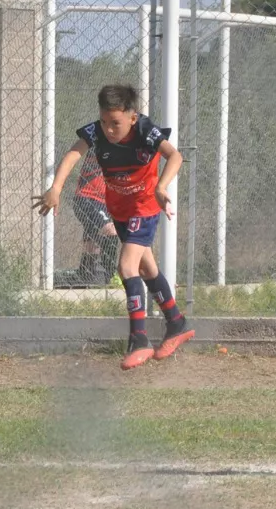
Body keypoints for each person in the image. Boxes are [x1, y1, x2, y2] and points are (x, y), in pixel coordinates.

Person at [35, 84, 193, 370]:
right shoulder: (97, 131)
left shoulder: (145, 130)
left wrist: (161, 185)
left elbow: (176, 155)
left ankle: (139, 339)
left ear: (132, 117)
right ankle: (176, 323)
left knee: (127, 268)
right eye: (105, 122)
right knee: (147, 269)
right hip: (119, 209)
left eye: (115, 123)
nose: (108, 129)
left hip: (143, 207)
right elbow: (73, 153)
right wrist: (56, 187)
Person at [68, 152, 120, 287]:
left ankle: (86, 273)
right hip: (87, 198)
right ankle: (109, 274)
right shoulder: (101, 143)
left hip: (104, 201)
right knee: (110, 230)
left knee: (92, 238)